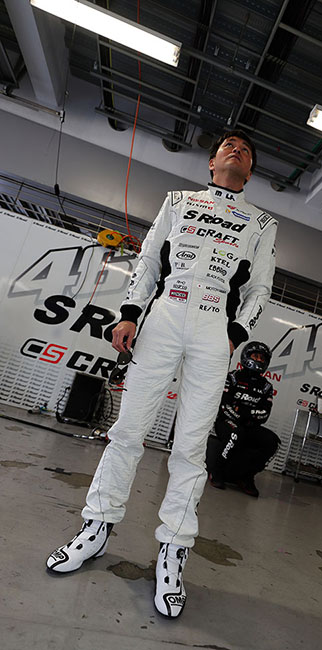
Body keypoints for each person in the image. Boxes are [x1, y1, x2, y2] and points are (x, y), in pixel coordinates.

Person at [46, 130, 277, 618]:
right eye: (229, 145)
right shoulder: (177, 201)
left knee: (191, 449)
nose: (237, 150)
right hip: (164, 320)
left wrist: (235, 334)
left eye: (246, 150)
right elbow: (150, 260)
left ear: (250, 171)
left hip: (214, 332)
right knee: (127, 431)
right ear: (211, 162)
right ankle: (96, 527)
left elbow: (260, 288)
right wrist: (130, 313)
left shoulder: (261, 223)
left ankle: (173, 550)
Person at [208, 341, 280, 497]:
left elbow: (264, 414)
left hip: (249, 425)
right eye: (255, 356)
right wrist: (246, 415)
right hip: (226, 422)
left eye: (262, 358)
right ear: (246, 356)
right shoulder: (233, 377)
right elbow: (224, 406)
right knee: (236, 433)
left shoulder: (267, 387)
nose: (259, 360)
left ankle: (246, 476)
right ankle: (216, 471)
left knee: (272, 441)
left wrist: (242, 412)